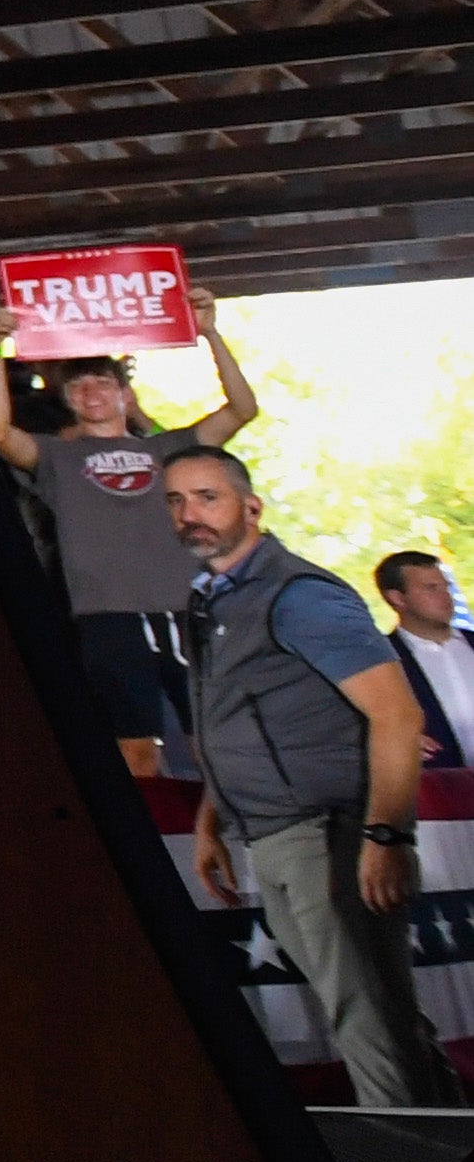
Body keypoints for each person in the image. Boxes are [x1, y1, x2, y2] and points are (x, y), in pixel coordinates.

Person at [175, 450, 455, 1107]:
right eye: (176, 499)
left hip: (327, 833)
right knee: (379, 1019)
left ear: (251, 506)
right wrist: (211, 822)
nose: (190, 513)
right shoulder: (212, 598)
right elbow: (235, 721)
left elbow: (396, 712)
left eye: (208, 496)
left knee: (372, 1029)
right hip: (270, 832)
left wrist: (387, 835)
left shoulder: (300, 594)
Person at [0, 291, 258, 776]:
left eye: (102, 382)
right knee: (135, 754)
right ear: (68, 400)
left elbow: (241, 409)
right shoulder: (57, 458)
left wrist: (210, 330)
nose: (92, 392)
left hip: (186, 609)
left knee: (213, 744)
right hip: (106, 618)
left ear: (124, 394)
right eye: (79, 386)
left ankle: (232, 843)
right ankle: (155, 847)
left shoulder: (172, 448)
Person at [379, 554, 474, 767]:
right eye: (431, 588)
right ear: (397, 598)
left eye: (446, 586)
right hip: (441, 790)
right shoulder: (382, 661)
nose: (446, 596)